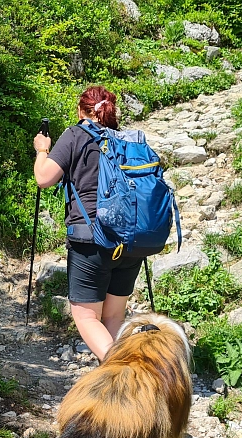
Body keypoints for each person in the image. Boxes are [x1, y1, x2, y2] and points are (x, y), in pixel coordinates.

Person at [33, 86, 142, 362]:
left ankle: (123, 372)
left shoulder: (75, 135)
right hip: (130, 240)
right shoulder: (128, 140)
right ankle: (120, 378)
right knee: (114, 315)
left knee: (86, 316)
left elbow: (44, 178)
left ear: (82, 111)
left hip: (91, 239)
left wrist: (42, 150)